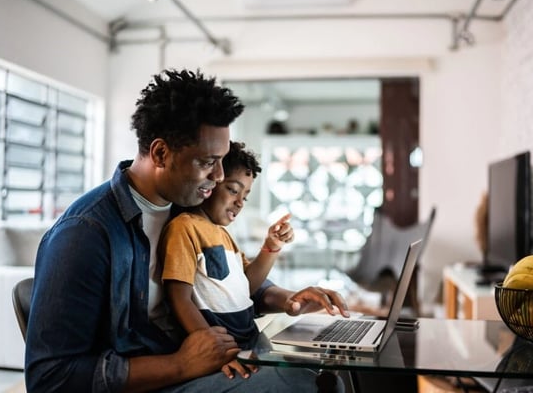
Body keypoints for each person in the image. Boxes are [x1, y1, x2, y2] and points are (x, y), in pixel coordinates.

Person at [25, 69, 350, 392]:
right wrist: (180, 364)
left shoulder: (190, 207)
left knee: (334, 371)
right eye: (208, 162)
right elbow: (51, 378)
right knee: (302, 386)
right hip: (161, 377)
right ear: (161, 154)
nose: (221, 176)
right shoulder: (85, 234)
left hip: (202, 362)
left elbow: (226, 281)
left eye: (222, 160)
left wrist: (287, 298)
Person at [158, 141, 293, 379]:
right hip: (225, 353)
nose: (240, 202)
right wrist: (215, 351)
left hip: (251, 342)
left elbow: (246, 287)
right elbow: (179, 298)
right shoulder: (184, 227)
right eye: (233, 189)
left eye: (245, 196)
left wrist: (271, 248)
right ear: (209, 185)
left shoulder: (223, 235)